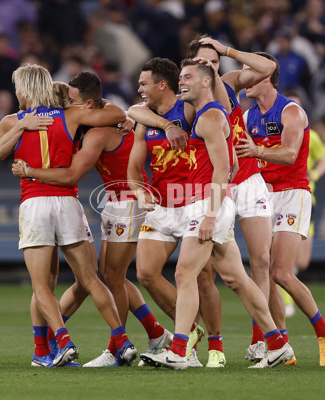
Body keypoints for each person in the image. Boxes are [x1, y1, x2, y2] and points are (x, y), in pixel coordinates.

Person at [140, 59, 295, 370]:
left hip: (207, 206)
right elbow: (230, 165)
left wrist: (211, 216)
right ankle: (278, 344)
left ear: (206, 83)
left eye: (187, 77)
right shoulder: (201, 114)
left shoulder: (209, 116)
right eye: (180, 77)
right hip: (201, 204)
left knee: (185, 273)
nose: (181, 82)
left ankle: (181, 350)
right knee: (237, 278)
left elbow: (224, 170)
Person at [12, 72, 172, 367]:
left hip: (129, 201)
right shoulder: (96, 122)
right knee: (108, 277)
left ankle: (119, 347)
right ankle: (155, 333)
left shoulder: (98, 131)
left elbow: (72, 175)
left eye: (73, 104)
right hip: (118, 202)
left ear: (87, 104)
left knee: (107, 278)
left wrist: (30, 171)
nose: (68, 112)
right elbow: (121, 111)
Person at [0, 64, 136, 368]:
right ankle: (121, 340)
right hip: (68, 204)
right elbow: (116, 114)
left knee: (42, 285)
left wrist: (21, 126)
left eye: (17, 86)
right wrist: (127, 119)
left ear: (24, 89)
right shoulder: (70, 115)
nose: (15, 91)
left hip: (35, 203)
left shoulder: (10, 121)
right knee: (90, 278)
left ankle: (62, 341)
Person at [187, 35, 288, 363]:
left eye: (214, 62)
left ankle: (261, 340)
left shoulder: (229, 82)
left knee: (261, 261)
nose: (211, 68)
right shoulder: (188, 99)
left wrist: (226, 50)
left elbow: (268, 66)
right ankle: (202, 341)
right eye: (204, 62)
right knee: (209, 272)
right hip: (220, 187)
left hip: (250, 181)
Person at [237, 52, 325, 367]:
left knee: (280, 272)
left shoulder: (291, 111)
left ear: (265, 77)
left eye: (247, 73)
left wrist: (257, 150)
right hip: (264, 195)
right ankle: (279, 343)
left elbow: (292, 154)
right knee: (263, 271)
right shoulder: (246, 116)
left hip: (293, 193)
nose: (243, 80)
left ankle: (324, 334)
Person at [127, 57, 222, 367]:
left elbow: (215, 109)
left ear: (162, 85)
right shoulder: (146, 120)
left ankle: (214, 345)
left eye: (144, 84)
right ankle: (190, 332)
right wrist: (140, 192)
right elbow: (133, 169)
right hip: (164, 206)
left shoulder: (190, 108)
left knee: (205, 277)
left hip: (195, 202)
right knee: (145, 273)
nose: (139, 89)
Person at [280, 89, 325, 318]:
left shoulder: (310, 135)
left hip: (307, 199)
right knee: (284, 259)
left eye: (298, 106)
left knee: (301, 261)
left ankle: (283, 285)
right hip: (284, 196)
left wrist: (315, 175)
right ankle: (285, 300)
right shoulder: (276, 131)